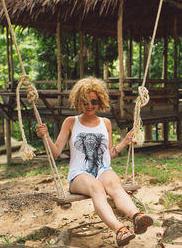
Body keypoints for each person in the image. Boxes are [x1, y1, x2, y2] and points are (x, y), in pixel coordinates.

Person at [36, 77, 153, 247]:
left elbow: (109, 154)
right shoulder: (70, 122)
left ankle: (137, 217)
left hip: (102, 169)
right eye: (85, 102)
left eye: (94, 101)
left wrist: (125, 142)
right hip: (79, 175)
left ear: (100, 101)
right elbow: (55, 153)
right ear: (78, 102)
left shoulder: (105, 123)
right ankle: (120, 230)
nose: (90, 105)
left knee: (115, 185)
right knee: (97, 188)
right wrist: (45, 136)